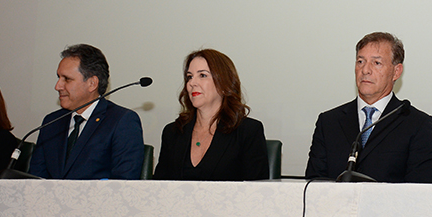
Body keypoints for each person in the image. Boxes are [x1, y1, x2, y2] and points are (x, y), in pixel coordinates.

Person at [305, 32, 432, 182]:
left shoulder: (417, 124)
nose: (365, 70)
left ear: (396, 71)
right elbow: (314, 184)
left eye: (376, 63)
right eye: (360, 61)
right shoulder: (329, 122)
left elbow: (421, 189)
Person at [29, 44, 144, 179]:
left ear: (92, 84)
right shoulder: (51, 122)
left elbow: (123, 184)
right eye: (58, 77)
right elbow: (35, 182)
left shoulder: (122, 121)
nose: (57, 86)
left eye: (67, 79)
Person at [154, 49, 268, 181]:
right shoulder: (173, 132)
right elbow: (159, 188)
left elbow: (257, 193)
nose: (192, 83)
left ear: (224, 84)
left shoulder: (248, 131)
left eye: (202, 75)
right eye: (189, 77)